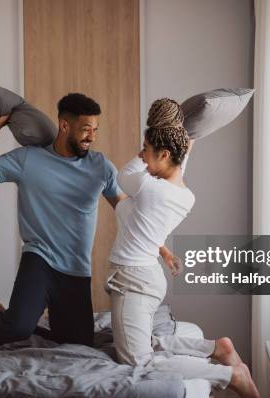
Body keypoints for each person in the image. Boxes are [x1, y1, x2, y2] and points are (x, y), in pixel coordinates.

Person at [106, 98, 260, 398]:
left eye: (146, 151)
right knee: (145, 342)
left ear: (164, 154)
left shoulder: (148, 187)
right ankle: (215, 348)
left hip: (134, 278)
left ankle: (230, 376)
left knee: (139, 362)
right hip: (146, 273)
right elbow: (175, 167)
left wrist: (143, 154)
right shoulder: (182, 195)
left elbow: (122, 175)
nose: (142, 156)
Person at [0, 93, 124, 347]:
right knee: (17, 326)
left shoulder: (101, 166)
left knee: (78, 344)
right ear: (64, 125)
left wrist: (159, 246)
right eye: (85, 130)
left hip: (76, 268)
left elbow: (126, 210)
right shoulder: (29, 159)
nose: (91, 137)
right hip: (39, 259)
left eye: (95, 130)